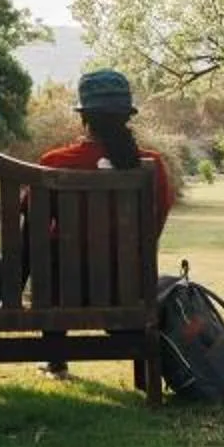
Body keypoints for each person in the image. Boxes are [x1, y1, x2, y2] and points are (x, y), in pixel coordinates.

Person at [35, 69, 176, 377]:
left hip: (65, 290)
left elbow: (36, 225)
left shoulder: (55, 162)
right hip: (125, 288)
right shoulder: (151, 165)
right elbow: (157, 221)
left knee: (55, 257)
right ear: (127, 116)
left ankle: (56, 359)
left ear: (83, 118)